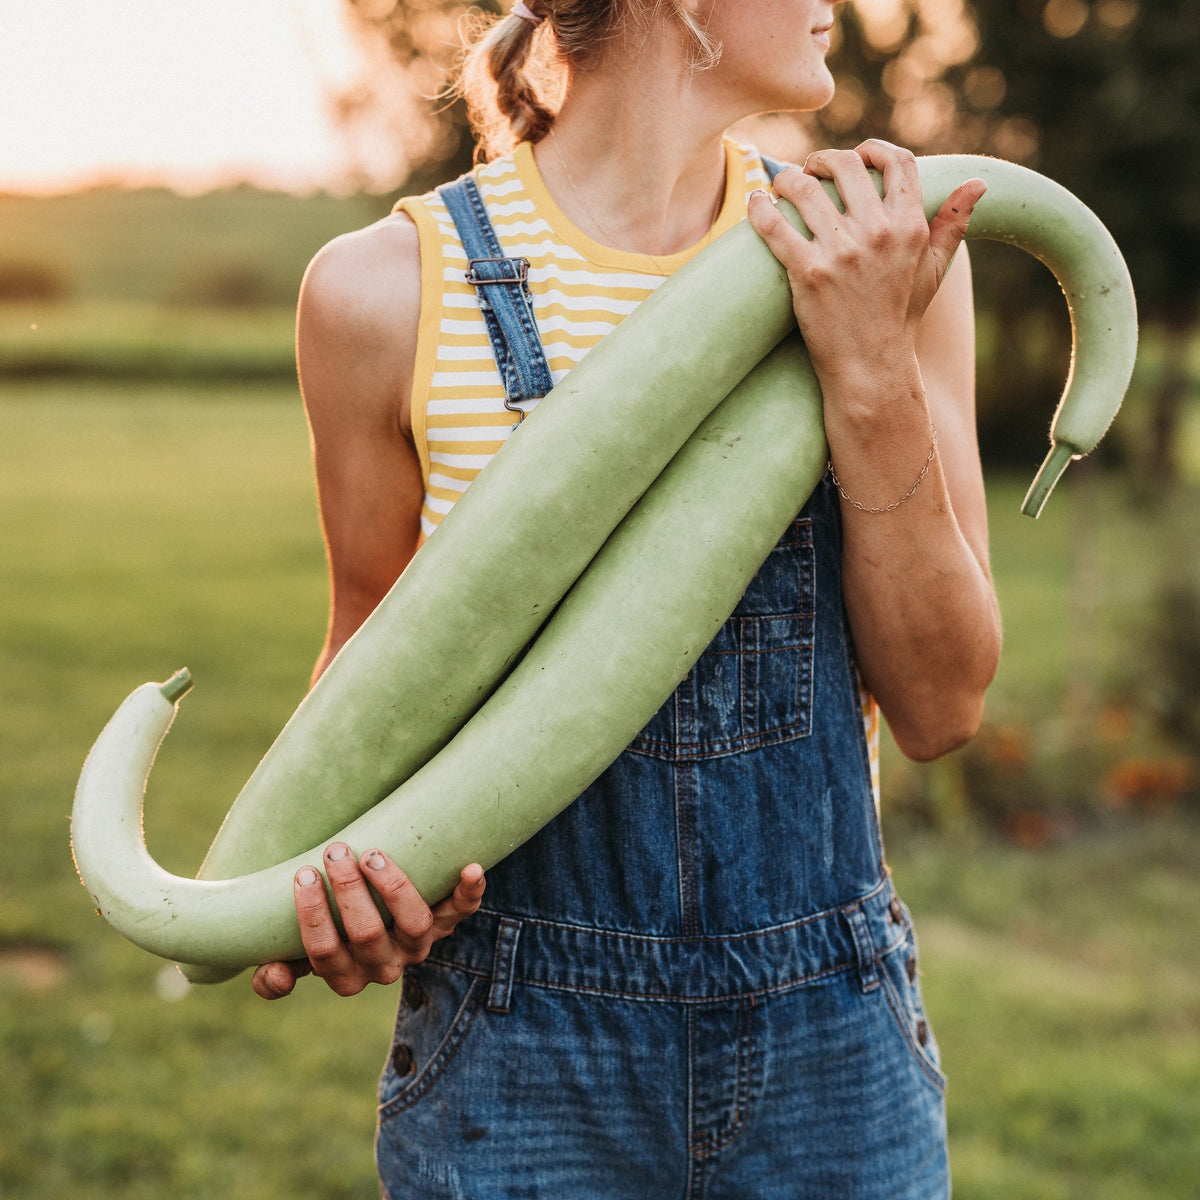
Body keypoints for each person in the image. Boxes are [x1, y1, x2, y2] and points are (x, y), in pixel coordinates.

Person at [252, 0, 1002, 1194]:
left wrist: (868, 364)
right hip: (514, 1054)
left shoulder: (874, 250)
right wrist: (343, 886)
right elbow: (369, 683)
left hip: (834, 1054)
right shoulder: (385, 294)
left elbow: (943, 702)